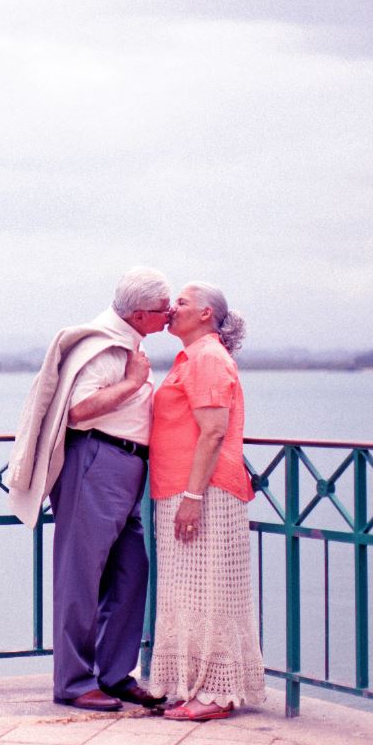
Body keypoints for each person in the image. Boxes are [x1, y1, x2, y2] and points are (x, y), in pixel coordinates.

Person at [7, 267, 173, 711]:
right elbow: (79, 411)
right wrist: (133, 384)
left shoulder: (127, 342)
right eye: (163, 309)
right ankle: (75, 683)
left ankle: (114, 674)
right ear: (139, 314)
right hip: (96, 461)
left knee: (131, 571)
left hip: (124, 466)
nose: (169, 315)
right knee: (80, 576)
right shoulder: (105, 348)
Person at [145, 282, 265, 720]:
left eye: (181, 302)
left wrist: (193, 497)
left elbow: (214, 432)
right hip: (181, 490)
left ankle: (215, 695)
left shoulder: (209, 358)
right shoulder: (192, 357)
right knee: (189, 595)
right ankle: (193, 685)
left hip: (204, 493)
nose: (170, 308)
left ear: (206, 314)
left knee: (211, 592)